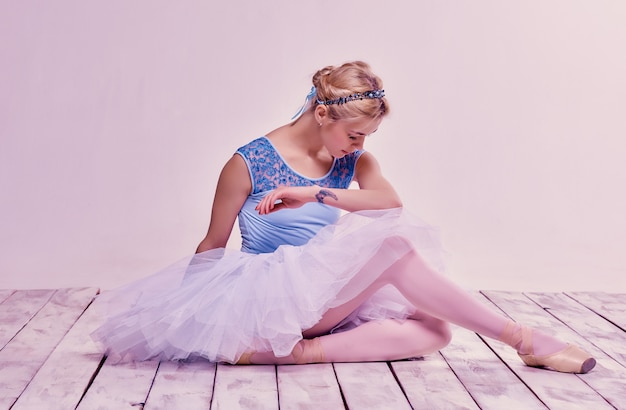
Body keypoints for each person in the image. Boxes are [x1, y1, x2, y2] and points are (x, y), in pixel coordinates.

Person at [91, 61, 595, 373]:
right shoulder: (248, 161)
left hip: (329, 290)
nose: (359, 146)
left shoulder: (351, 162)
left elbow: (390, 204)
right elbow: (212, 244)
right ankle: (522, 340)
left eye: (366, 138)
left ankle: (296, 355)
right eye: (355, 135)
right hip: (273, 292)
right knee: (394, 247)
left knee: (436, 332)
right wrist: (189, 315)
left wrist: (313, 194)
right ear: (323, 115)